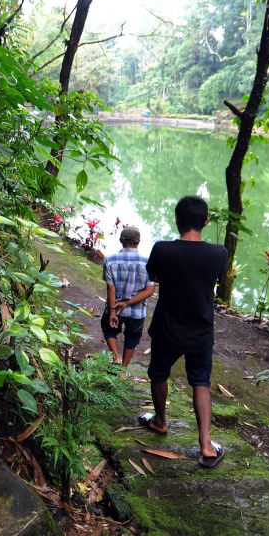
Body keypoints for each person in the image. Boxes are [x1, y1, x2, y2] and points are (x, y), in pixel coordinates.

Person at [139, 195, 228, 469]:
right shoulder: (219, 253)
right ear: (206, 221)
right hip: (201, 329)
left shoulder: (163, 249)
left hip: (168, 326)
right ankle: (206, 446)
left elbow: (153, 275)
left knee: (158, 373)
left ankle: (161, 421)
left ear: (177, 220)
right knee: (201, 381)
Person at [101, 226, 155, 369]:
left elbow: (110, 289)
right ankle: (123, 369)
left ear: (121, 241)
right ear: (138, 242)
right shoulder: (147, 262)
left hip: (115, 308)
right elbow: (150, 290)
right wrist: (128, 302)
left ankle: (116, 358)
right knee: (132, 338)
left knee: (108, 329)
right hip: (137, 312)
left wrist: (113, 311)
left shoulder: (110, 260)